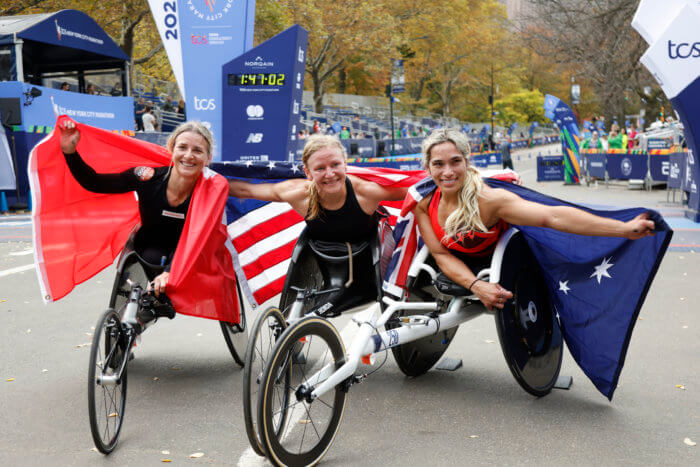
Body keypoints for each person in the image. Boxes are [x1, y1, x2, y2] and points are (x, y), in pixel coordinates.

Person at [413, 128, 655, 311]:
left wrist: (623, 229)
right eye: (438, 164)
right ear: (428, 167)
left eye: (455, 161)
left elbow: (552, 217)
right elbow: (441, 255)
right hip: (457, 264)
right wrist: (477, 286)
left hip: (504, 259)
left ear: (466, 162)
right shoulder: (423, 204)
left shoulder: (489, 200)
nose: (448, 172)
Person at [228, 134, 411, 310]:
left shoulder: (365, 191)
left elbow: (415, 191)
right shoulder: (298, 194)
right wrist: (202, 179)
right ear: (307, 172)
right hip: (325, 257)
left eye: (335, 165)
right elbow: (245, 190)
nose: (329, 174)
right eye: (320, 168)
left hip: (367, 259)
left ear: (345, 164)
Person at [59, 120, 214, 299]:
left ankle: (164, 292)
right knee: (153, 259)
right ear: (172, 150)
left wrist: (172, 271)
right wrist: (69, 152)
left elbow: (244, 189)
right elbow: (94, 182)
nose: (188, 156)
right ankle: (153, 299)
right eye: (182, 147)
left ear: (208, 158)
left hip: (191, 251)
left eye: (197, 150)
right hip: (151, 247)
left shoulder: (212, 190)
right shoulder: (148, 177)